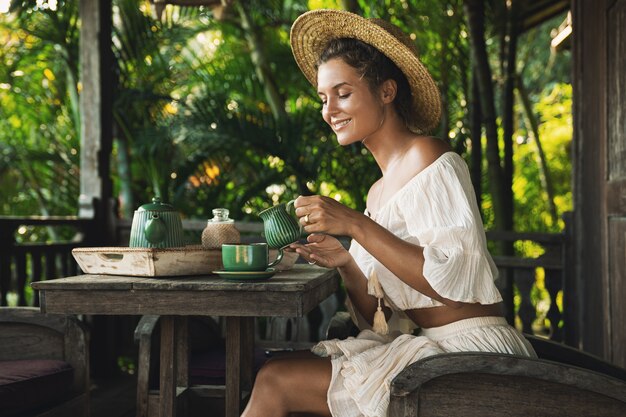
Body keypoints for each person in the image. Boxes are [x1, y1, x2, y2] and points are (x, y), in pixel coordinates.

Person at [241, 9, 536, 417]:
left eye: (343, 94)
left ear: (386, 91)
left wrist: (355, 225)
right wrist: (345, 261)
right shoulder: (378, 192)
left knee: (275, 380)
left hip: (469, 354)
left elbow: (453, 282)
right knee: (274, 375)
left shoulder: (429, 156)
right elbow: (376, 322)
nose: (330, 111)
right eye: (324, 99)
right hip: (426, 351)